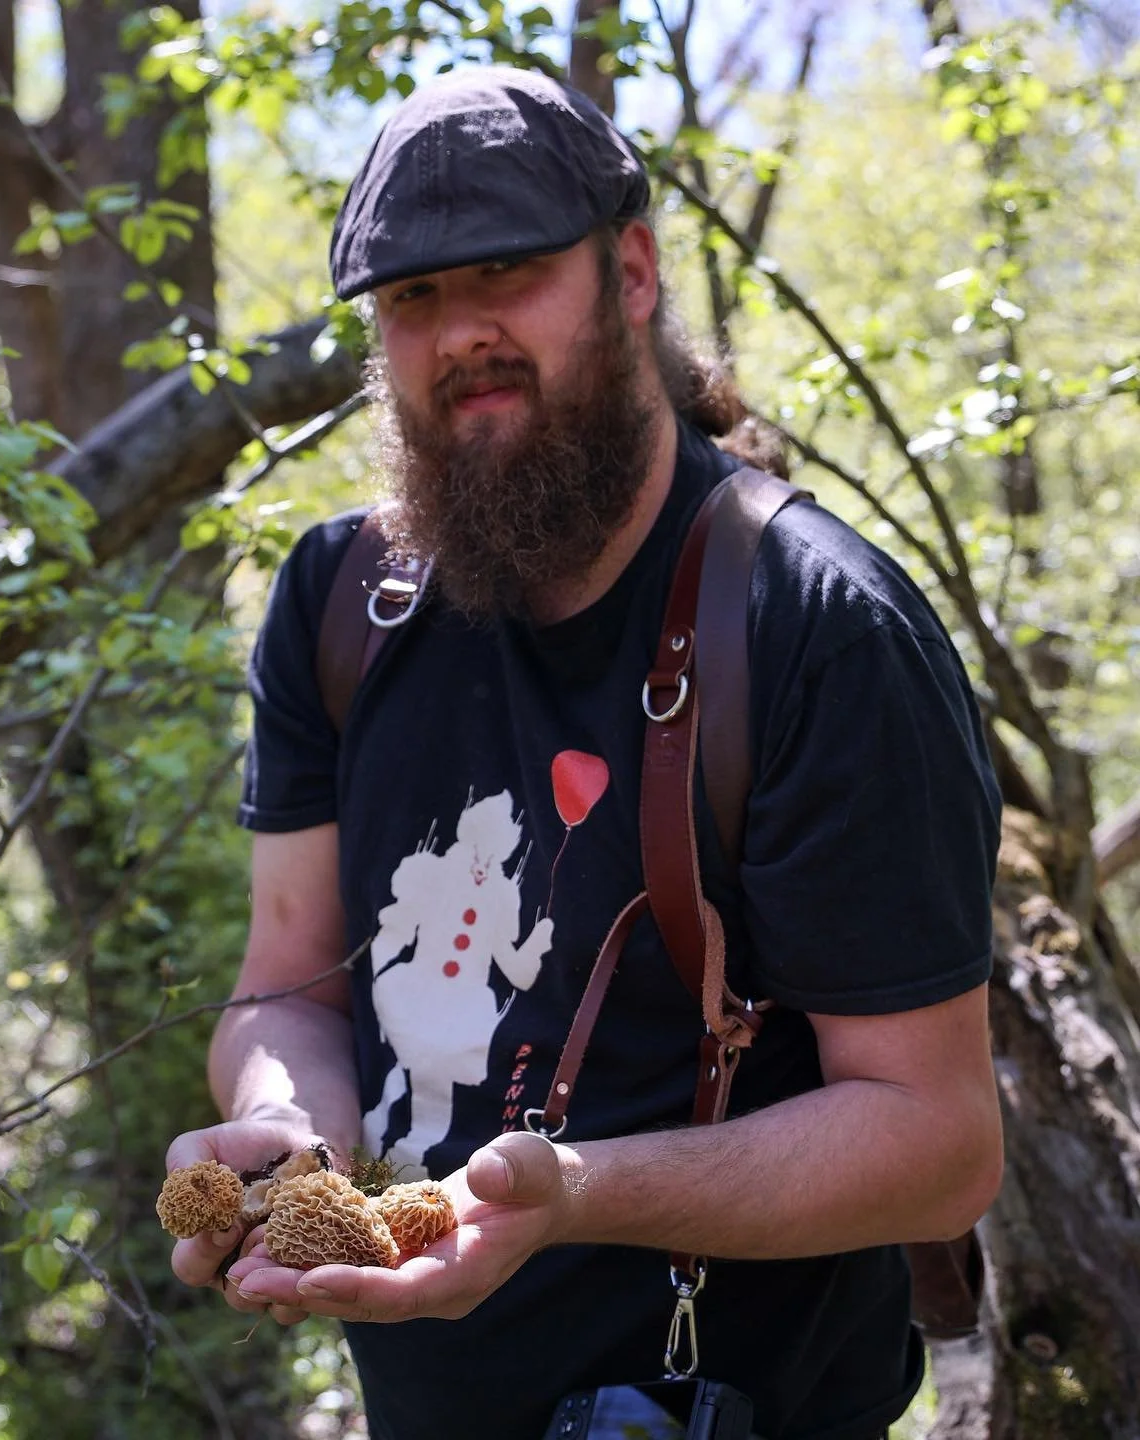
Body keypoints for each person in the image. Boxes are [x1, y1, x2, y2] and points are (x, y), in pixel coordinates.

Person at [165, 65, 1003, 1440]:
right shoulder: (337, 606)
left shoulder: (814, 628)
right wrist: (282, 1134)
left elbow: (937, 1142)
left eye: (507, 273)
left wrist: (571, 1199)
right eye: (414, 297)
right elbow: (288, 993)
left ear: (629, 273)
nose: (460, 333)